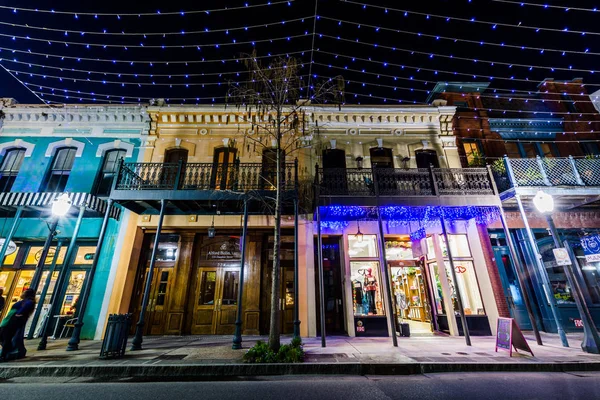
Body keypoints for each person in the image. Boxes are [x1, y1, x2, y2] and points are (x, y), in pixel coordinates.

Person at [0, 288, 36, 361]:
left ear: (26, 294)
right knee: (6, 337)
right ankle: (7, 352)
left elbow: (27, 306)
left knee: (6, 337)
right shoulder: (25, 301)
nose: (22, 293)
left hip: (12, 320)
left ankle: (5, 354)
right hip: (10, 319)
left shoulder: (28, 301)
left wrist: (19, 313)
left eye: (24, 292)